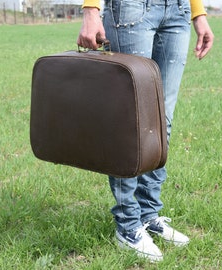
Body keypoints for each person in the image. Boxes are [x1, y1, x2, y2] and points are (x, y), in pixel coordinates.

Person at [77, 0, 214, 262]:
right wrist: (91, 10)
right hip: (132, 8)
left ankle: (148, 214)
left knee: (162, 122)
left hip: (177, 11)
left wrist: (198, 13)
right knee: (132, 120)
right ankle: (127, 224)